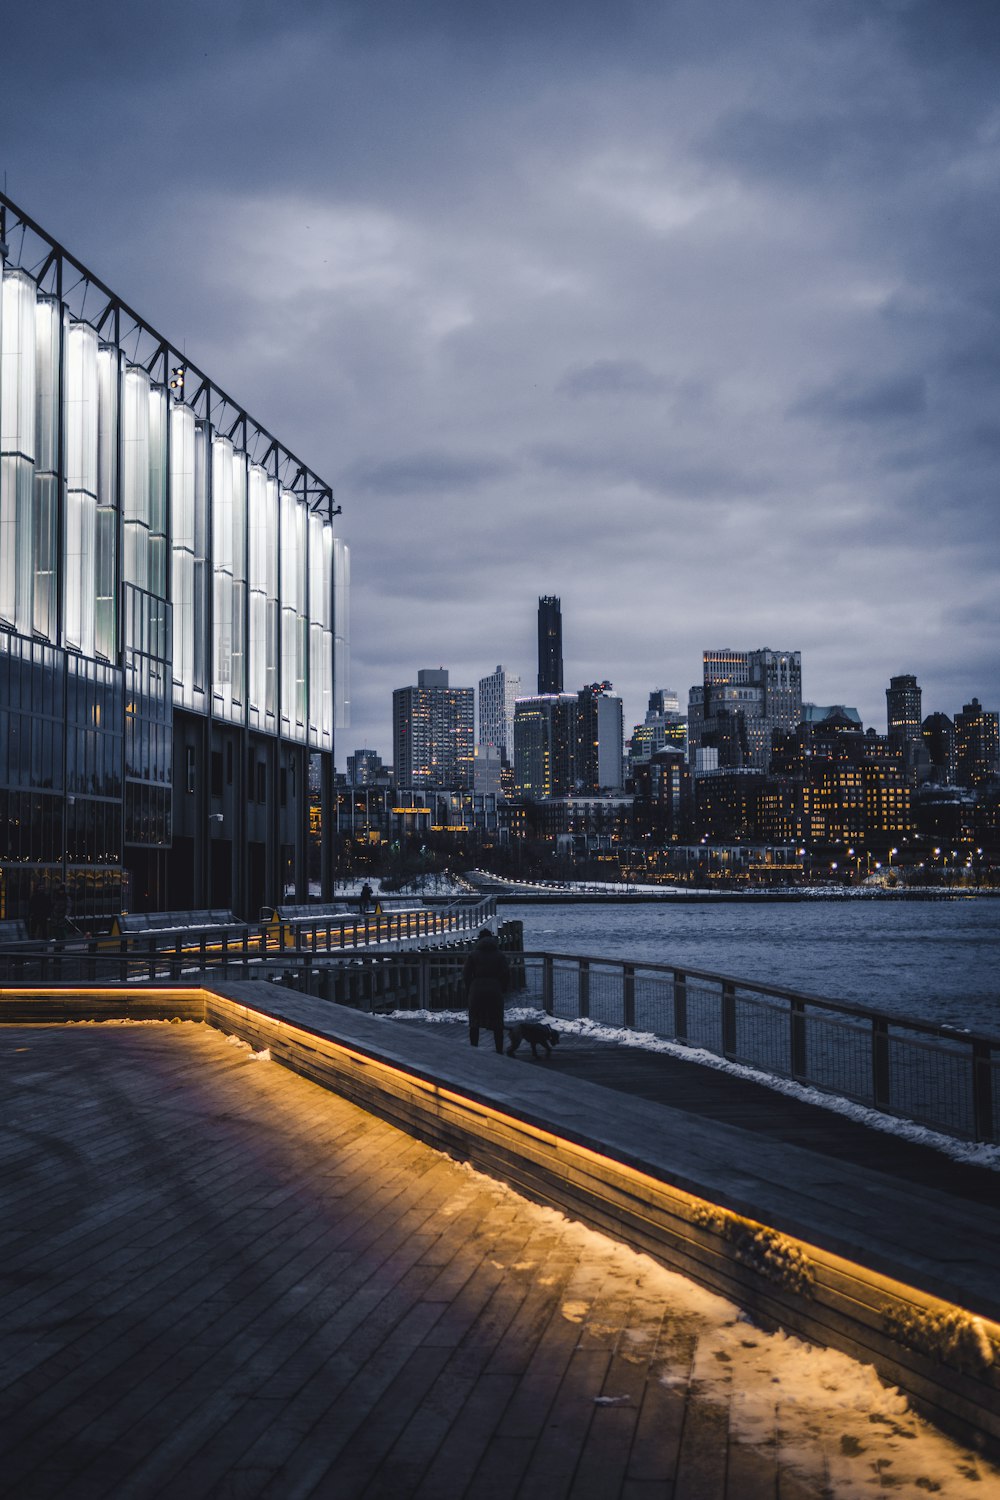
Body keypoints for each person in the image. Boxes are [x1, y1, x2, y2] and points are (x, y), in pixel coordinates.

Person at [463, 928, 510, 1053]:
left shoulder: (473, 954)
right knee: (497, 1022)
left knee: (475, 1022)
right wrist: (502, 988)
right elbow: (505, 973)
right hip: (494, 989)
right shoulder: (499, 955)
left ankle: (474, 1049)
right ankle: (499, 1050)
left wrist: (470, 988)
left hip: (477, 988)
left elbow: (466, 974)